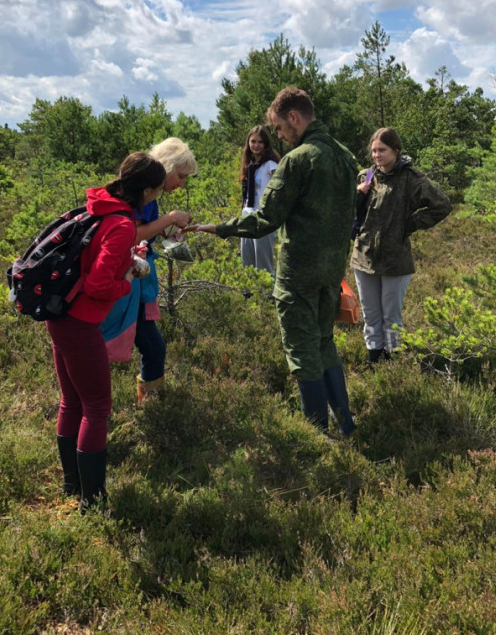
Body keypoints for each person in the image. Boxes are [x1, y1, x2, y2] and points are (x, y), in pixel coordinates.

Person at [187, 88, 358, 435]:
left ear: (294, 118)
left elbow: (266, 218)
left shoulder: (298, 160)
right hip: (331, 272)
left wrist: (218, 228)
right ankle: (346, 424)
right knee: (324, 342)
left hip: (299, 275)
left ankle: (316, 432)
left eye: (279, 127)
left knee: (301, 349)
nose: (278, 135)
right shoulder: (346, 157)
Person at [49, 152, 166, 512]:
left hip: (60, 316)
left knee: (72, 401)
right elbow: (100, 285)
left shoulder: (96, 207)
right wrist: (128, 280)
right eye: (158, 189)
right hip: (82, 323)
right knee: (97, 407)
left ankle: (73, 485)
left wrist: (124, 260)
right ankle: (93, 502)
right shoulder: (122, 225)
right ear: (146, 190)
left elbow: (91, 259)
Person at [101, 137, 197, 402]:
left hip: (132, 281)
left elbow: (142, 235)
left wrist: (167, 229)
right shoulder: (139, 194)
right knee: (152, 346)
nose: (181, 183)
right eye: (180, 176)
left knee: (149, 345)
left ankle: (147, 403)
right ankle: (149, 405)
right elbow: (128, 235)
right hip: (123, 283)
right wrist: (168, 220)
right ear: (166, 167)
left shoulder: (148, 197)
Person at [351, 127, 452, 366]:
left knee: (392, 317)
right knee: (371, 314)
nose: (377, 155)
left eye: (382, 150)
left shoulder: (411, 178)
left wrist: (409, 224)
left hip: (395, 259)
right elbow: (349, 212)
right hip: (364, 256)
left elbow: (442, 205)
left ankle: (393, 357)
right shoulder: (366, 176)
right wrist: (357, 194)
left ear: (395, 150)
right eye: (374, 150)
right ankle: (373, 359)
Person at [239, 125, 280, 277]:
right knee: (247, 260)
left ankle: (267, 295)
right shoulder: (249, 166)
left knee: (263, 262)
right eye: (253, 141)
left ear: (266, 144)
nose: (256, 145)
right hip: (247, 215)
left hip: (262, 217)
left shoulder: (271, 165)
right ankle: (248, 295)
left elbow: (281, 187)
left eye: (260, 142)